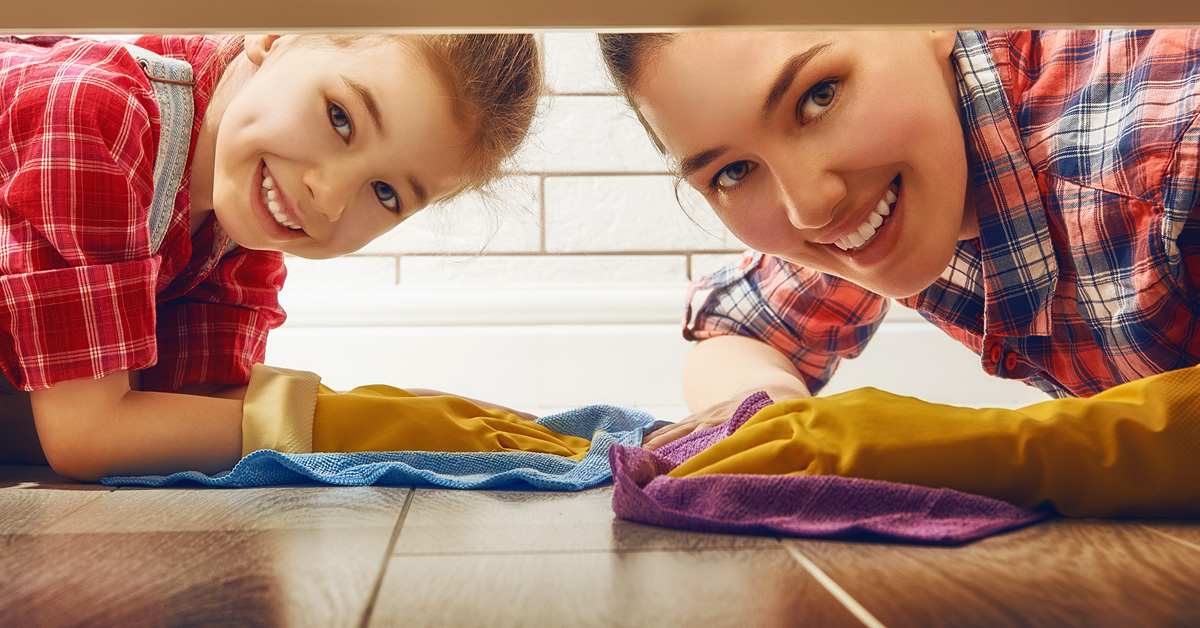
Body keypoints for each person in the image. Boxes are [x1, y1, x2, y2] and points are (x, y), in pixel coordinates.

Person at [597, 30, 1200, 449]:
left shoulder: (1166, 154)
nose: (808, 208)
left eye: (819, 96)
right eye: (732, 172)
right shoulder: (880, 191)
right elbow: (738, 332)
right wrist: (772, 413)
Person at [0, 33, 542, 480]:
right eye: (340, 118)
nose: (327, 200)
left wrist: (414, 412)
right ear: (276, 33)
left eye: (386, 194)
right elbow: (91, 436)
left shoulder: (236, 233)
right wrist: (359, 428)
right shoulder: (93, 116)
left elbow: (185, 408)